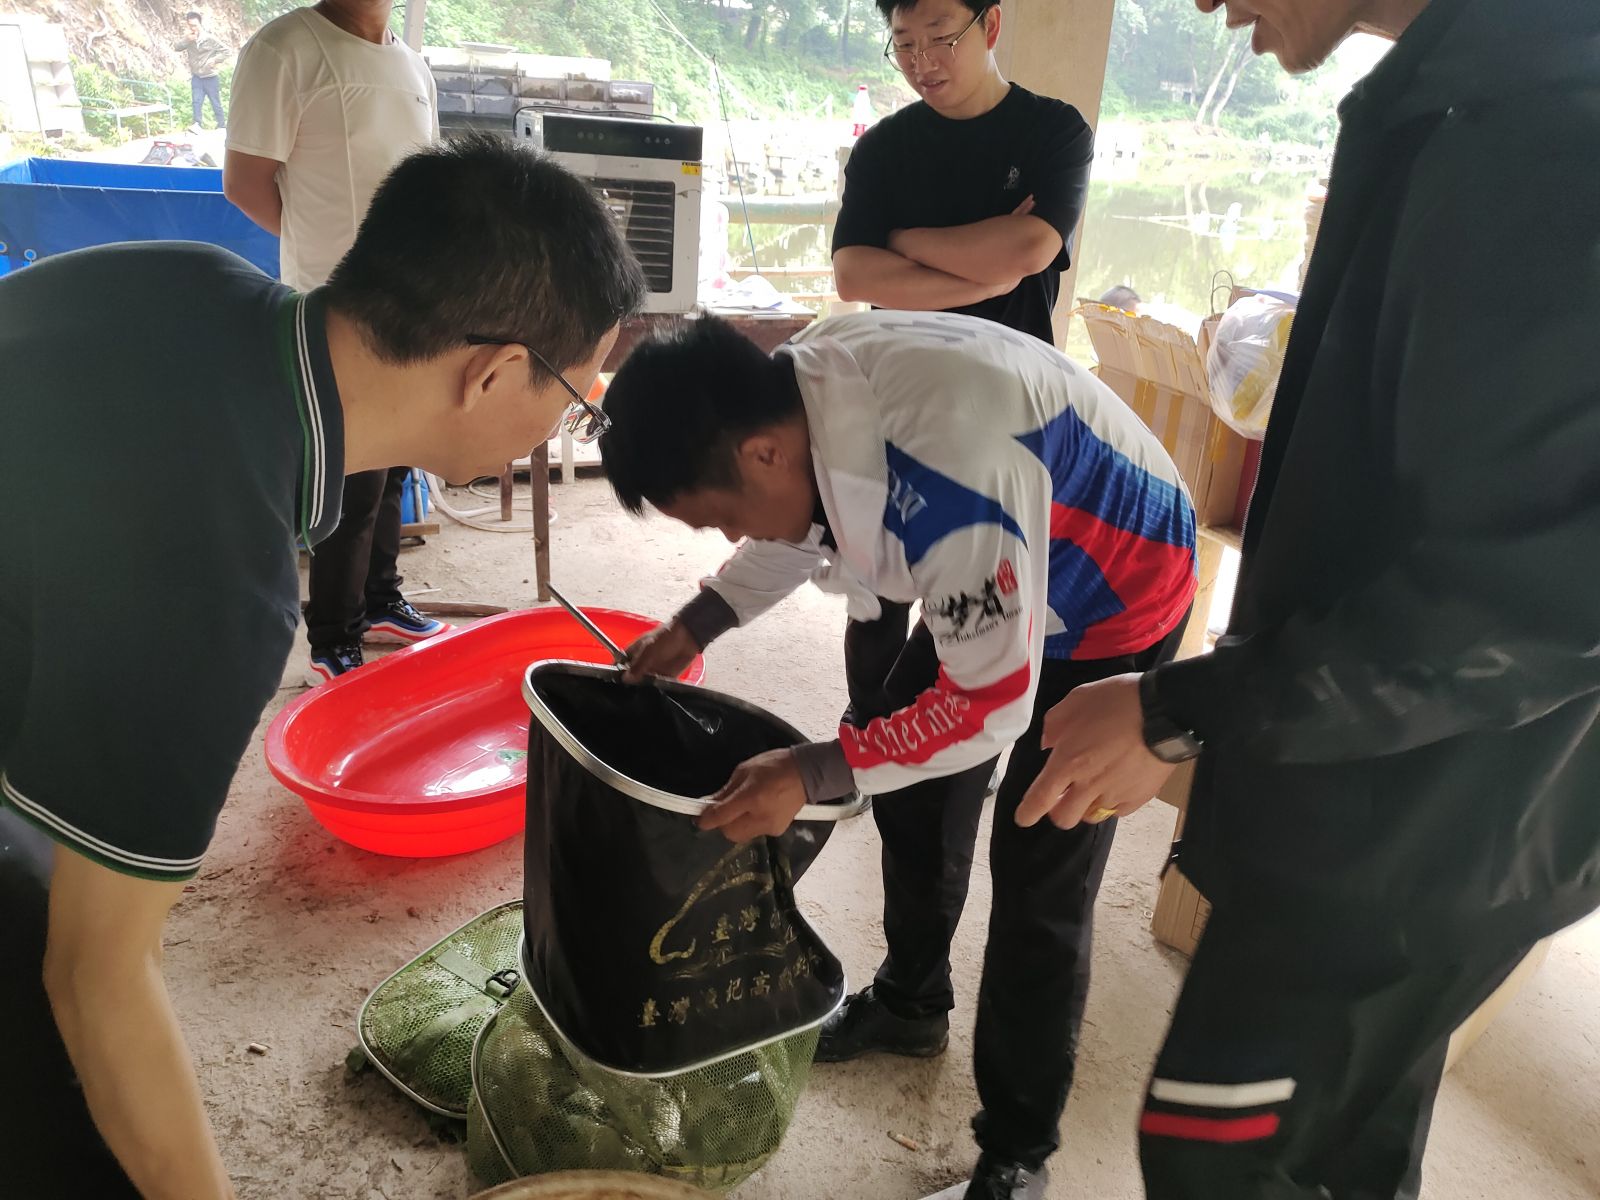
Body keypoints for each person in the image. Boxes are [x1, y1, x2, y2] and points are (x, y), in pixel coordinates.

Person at [1016, 1, 1600, 1197]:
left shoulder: (1547, 143)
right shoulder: (1464, 99)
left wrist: (1181, 711)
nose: (1204, 2)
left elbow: (1531, 607)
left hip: (1416, 828)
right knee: (1342, 1149)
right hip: (1408, 800)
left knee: (1222, 1157)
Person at [0, 133, 645, 1199]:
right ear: (490, 374)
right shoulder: (215, 581)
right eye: (576, 401)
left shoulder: (186, 276)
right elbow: (96, 974)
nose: (561, 429)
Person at [606, 310, 1198, 1200]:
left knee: (1041, 863)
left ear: (762, 453)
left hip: (1114, 592)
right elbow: (795, 526)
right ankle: (911, 1004)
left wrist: (808, 771)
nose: (730, 535)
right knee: (912, 790)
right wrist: (698, 622)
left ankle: (1019, 1148)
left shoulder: (947, 473)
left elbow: (987, 704)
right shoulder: (801, 397)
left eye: (720, 516)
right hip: (1007, 558)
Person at [824, 3, 1100, 1136]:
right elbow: (854, 272)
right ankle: (911, 995)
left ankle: (1006, 1118)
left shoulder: (1052, 130)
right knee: (901, 717)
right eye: (904, 44)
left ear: (991, 22)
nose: (923, 62)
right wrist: (969, 252)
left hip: (1021, 466)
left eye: (942, 36)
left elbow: (1029, 256)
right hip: (908, 425)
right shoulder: (887, 147)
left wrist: (913, 252)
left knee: (1025, 805)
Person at [224, 0, 446, 684]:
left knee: (398, 460)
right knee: (353, 479)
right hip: (336, 302)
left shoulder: (412, 65)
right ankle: (333, 638)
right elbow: (245, 183)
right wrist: (323, 250)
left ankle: (380, 601)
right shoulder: (285, 49)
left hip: (411, 298)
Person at [174, 10, 229, 131]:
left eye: (195, 25)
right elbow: (176, 47)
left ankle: (221, 125)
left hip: (210, 76)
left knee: (215, 102)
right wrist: (187, 40)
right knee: (196, 101)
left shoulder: (210, 39)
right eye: (190, 25)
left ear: (200, 24)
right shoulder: (189, 39)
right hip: (197, 77)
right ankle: (197, 124)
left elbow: (226, 51)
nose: (193, 28)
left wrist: (215, 60)